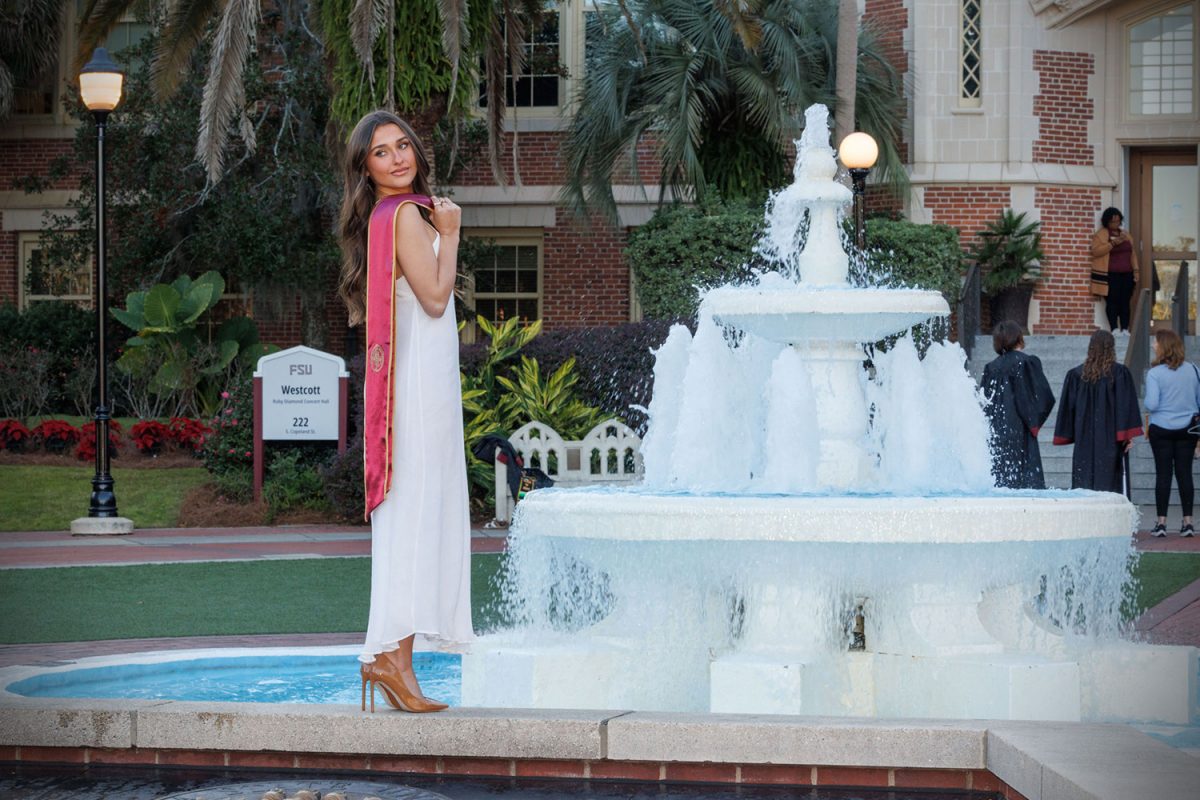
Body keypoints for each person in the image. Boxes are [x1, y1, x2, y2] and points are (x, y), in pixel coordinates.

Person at [336, 110, 472, 712]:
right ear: (365, 169)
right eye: (381, 153)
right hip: (421, 390)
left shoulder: (384, 217)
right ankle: (394, 657)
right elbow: (439, 300)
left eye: (403, 146)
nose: (398, 158)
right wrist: (453, 229)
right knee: (422, 512)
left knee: (412, 514)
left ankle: (393, 655)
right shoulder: (409, 216)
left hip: (411, 383)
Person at [1053, 329, 1143, 493]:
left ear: (1091, 348)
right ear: (1111, 348)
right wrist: (1126, 436)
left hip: (1084, 440)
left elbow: (1069, 410)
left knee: (1085, 482)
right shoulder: (1119, 374)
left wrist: (1073, 432)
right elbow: (1124, 407)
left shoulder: (1076, 375)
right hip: (1110, 440)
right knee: (1110, 484)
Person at [981, 320, 1056, 489]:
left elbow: (984, 402)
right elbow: (1042, 396)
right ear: (1018, 338)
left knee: (1001, 483)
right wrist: (1033, 422)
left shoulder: (991, 368)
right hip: (1020, 431)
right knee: (1025, 484)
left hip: (997, 433)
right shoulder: (1026, 362)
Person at [1143, 329, 1200, 537]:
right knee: (1185, 474)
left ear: (1163, 346)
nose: (1152, 346)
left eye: (1155, 342)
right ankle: (1188, 523)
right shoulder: (1194, 370)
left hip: (1161, 429)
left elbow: (1151, 403)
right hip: (1188, 429)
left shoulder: (1155, 374)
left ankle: (1161, 524)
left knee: (1163, 474)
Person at [1090, 207, 1139, 333]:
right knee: (1112, 302)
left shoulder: (1126, 234)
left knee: (1125, 302)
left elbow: (1132, 254)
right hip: (1110, 275)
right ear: (1107, 222)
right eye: (1113, 222)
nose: (1116, 224)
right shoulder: (1100, 235)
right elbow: (1095, 252)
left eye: (1118, 221)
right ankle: (1114, 329)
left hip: (1127, 274)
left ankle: (1125, 329)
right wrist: (1113, 244)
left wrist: (1136, 271)